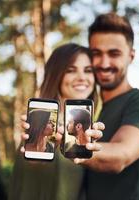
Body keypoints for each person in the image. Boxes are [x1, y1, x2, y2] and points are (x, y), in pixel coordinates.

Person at [74, 13, 139, 200]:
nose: (104, 63)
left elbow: (120, 156)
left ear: (131, 56)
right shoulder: (92, 112)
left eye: (114, 54)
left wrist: (72, 146)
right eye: (96, 54)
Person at [8, 43, 104, 200]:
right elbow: (34, 165)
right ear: (57, 74)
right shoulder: (43, 121)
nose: (82, 77)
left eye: (88, 70)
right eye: (71, 70)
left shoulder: (90, 128)